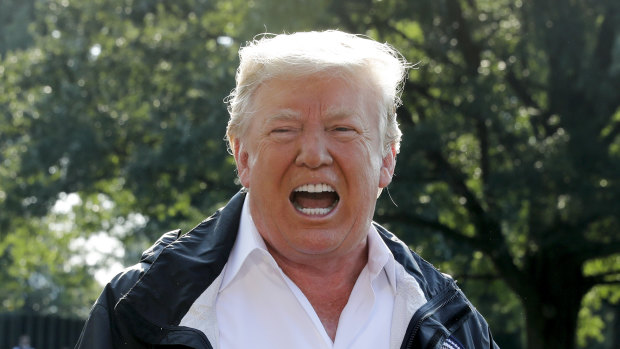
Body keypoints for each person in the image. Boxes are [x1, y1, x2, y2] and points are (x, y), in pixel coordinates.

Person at [75, 30, 499, 348]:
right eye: (284, 129)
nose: (313, 154)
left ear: (387, 157)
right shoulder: (137, 311)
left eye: (342, 128)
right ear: (242, 154)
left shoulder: (454, 324)